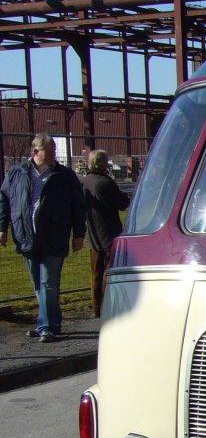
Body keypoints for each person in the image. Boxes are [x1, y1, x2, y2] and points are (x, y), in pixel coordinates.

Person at [0, 133, 86, 342]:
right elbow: (4, 199)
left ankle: (46, 326)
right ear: (35, 151)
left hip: (55, 235)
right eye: (49, 150)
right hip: (26, 236)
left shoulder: (64, 176)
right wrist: (2, 227)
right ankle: (49, 324)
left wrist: (78, 234)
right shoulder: (17, 173)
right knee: (38, 284)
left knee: (48, 282)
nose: (53, 154)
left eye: (54, 150)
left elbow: (78, 205)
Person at [82, 149, 131, 317]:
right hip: (109, 231)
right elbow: (122, 203)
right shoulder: (106, 183)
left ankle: (96, 307)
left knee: (96, 271)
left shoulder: (84, 182)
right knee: (109, 271)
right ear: (102, 164)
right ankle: (106, 306)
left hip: (93, 232)